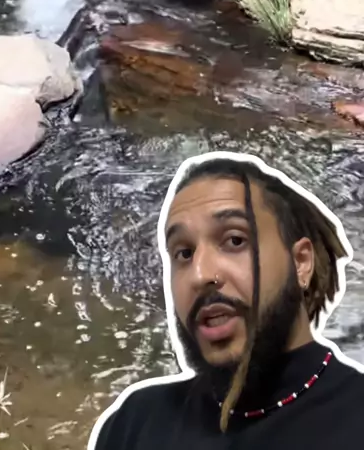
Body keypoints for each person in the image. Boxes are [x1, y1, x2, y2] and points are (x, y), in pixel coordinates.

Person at [88, 151, 364, 450]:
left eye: (235, 240)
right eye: (184, 253)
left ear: (301, 262)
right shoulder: (136, 423)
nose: (200, 275)